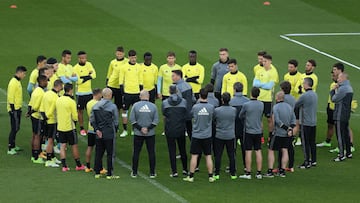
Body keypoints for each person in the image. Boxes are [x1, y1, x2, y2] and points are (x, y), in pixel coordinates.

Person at [183, 88, 215, 183]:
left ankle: (191, 176)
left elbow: (191, 115)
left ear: (200, 95)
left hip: (196, 135)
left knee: (194, 155)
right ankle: (210, 176)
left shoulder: (195, 107)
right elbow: (213, 118)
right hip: (207, 135)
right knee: (208, 156)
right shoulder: (211, 107)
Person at [265, 91, 296, 178]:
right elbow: (293, 121)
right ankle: (282, 171)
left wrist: (285, 128)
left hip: (278, 133)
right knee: (285, 150)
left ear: (277, 98)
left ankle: (270, 171)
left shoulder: (275, 107)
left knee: (271, 150)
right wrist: (290, 129)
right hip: (287, 134)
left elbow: (277, 121)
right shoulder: (289, 107)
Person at [90, 88, 120, 179]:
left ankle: (97, 172)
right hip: (109, 133)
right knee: (110, 154)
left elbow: (92, 120)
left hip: (99, 133)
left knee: (99, 152)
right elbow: (116, 121)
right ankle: (109, 174)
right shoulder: (113, 107)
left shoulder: (95, 106)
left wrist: (97, 130)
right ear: (110, 96)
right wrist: (115, 129)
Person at [129, 90, 159, 178]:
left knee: (136, 152)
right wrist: (148, 128)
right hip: (150, 134)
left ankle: (134, 172)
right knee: (151, 152)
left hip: (138, 133)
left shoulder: (135, 106)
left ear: (140, 96)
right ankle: (152, 172)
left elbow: (132, 119)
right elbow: (156, 121)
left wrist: (140, 128)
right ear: (148, 96)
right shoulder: (153, 106)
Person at [56, 83, 85, 172]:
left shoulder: (58, 100)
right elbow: (75, 116)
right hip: (70, 127)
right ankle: (78, 165)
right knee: (74, 145)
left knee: (62, 146)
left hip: (60, 127)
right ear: (71, 90)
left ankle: (64, 166)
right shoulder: (71, 101)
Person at [162, 85, 188, 177]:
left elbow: (164, 115)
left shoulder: (165, 103)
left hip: (170, 129)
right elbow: (185, 113)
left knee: (172, 151)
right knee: (183, 150)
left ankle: (174, 171)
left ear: (169, 92)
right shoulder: (184, 102)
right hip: (181, 128)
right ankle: (185, 169)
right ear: (177, 91)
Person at [238, 87, 264, 180]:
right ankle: (259, 173)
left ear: (251, 93)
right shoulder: (261, 104)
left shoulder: (246, 104)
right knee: (258, 150)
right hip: (258, 131)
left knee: (248, 151)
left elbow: (241, 115)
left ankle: (248, 172)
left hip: (248, 131)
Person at [253, 54, 279, 144]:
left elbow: (269, 86)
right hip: (259, 98)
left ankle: (271, 136)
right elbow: (254, 83)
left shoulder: (274, 72)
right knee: (258, 118)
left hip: (268, 99)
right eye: (262, 61)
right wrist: (264, 85)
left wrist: (260, 84)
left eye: (265, 61)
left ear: (270, 61)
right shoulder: (259, 70)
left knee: (269, 119)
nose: (263, 63)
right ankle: (261, 136)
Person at [119, 49, 143, 137]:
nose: (134, 59)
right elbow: (121, 81)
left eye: (135, 58)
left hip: (136, 93)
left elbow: (141, 80)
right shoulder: (124, 67)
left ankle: (134, 129)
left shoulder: (139, 67)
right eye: (132, 58)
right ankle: (125, 130)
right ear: (128, 57)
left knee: (135, 111)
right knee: (125, 111)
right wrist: (123, 93)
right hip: (127, 93)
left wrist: (140, 91)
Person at [213, 93, 237, 180]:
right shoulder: (233, 110)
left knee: (218, 155)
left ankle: (217, 173)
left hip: (219, 135)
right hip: (230, 135)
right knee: (231, 155)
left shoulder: (217, 110)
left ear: (222, 100)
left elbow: (214, 119)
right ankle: (233, 173)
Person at [295, 78, 317, 168]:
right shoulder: (315, 94)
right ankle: (314, 160)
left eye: (304, 83)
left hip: (305, 122)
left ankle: (307, 161)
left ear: (306, 84)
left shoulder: (304, 96)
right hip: (313, 122)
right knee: (312, 142)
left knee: (305, 142)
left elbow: (296, 105)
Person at [40, 79, 63, 167]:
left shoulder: (46, 94)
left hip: (45, 119)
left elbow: (42, 108)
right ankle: (49, 160)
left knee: (50, 140)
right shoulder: (56, 97)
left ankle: (52, 157)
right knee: (50, 140)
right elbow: (53, 110)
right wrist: (49, 117)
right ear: (59, 86)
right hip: (52, 121)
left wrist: (45, 118)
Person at [330, 73, 353, 161]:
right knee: (346, 134)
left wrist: (333, 90)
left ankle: (341, 155)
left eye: (339, 78)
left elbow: (334, 99)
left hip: (340, 114)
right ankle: (348, 153)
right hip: (346, 114)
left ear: (343, 78)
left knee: (340, 135)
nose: (338, 79)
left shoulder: (343, 88)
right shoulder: (349, 87)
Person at [73, 51, 97, 136]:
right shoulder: (75, 68)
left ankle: (92, 127)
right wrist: (89, 76)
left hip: (89, 92)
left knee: (91, 110)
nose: (84, 59)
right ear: (78, 58)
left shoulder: (89, 64)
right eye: (82, 58)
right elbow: (78, 81)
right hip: (80, 93)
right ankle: (82, 128)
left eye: (85, 58)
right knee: (80, 111)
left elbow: (94, 75)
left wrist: (84, 77)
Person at [27, 75, 48, 164]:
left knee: (35, 134)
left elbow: (30, 103)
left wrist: (29, 112)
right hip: (38, 117)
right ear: (42, 82)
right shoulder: (41, 93)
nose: (47, 83)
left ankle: (36, 153)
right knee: (37, 136)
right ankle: (36, 157)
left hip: (34, 117)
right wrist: (30, 112)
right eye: (46, 81)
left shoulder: (36, 90)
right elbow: (36, 107)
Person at [276, 81, 297, 173]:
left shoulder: (283, 99)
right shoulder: (293, 98)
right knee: (290, 146)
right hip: (291, 124)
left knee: (282, 147)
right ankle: (291, 166)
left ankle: (280, 167)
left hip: (283, 126)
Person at [7, 66, 27, 155]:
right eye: (24, 73)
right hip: (14, 109)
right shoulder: (13, 83)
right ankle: (10, 147)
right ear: (19, 73)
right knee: (14, 128)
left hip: (17, 108)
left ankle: (13, 145)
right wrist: (12, 109)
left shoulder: (17, 82)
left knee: (16, 127)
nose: (24, 75)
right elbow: (10, 97)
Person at [229, 82, 249, 170]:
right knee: (244, 147)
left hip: (233, 127)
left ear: (234, 89)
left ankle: (232, 166)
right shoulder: (247, 101)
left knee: (233, 148)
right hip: (244, 127)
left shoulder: (231, 101)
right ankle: (246, 166)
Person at [172, 70, 196, 140]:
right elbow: (193, 99)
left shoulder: (177, 87)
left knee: (180, 133)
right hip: (189, 111)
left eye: (173, 76)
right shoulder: (188, 85)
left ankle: (182, 150)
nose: (172, 78)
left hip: (181, 113)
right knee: (190, 129)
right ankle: (194, 146)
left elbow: (177, 101)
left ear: (178, 76)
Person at [85, 88, 102, 173]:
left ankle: (87, 166)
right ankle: (99, 167)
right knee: (99, 149)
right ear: (98, 94)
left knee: (90, 147)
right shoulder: (99, 104)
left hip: (90, 127)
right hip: (97, 128)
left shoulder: (89, 103)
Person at [106, 46, 128, 111]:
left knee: (118, 106)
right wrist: (107, 82)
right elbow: (109, 73)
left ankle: (116, 120)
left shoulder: (127, 61)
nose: (119, 55)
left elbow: (135, 65)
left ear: (123, 54)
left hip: (120, 86)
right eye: (118, 54)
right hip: (111, 85)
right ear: (115, 53)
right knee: (106, 102)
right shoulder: (112, 62)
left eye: (120, 54)